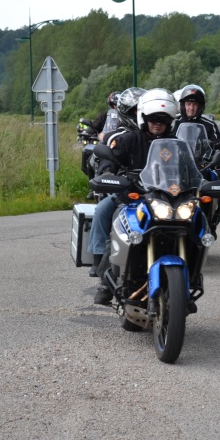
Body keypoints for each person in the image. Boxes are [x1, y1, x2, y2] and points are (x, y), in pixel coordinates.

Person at [87, 88, 179, 305]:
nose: (158, 123)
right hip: (132, 197)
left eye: (163, 119)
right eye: (153, 118)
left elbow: (190, 169)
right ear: (143, 118)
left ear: (170, 121)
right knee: (121, 227)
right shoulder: (127, 139)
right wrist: (109, 174)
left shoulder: (176, 144)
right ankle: (105, 278)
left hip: (166, 200)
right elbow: (109, 162)